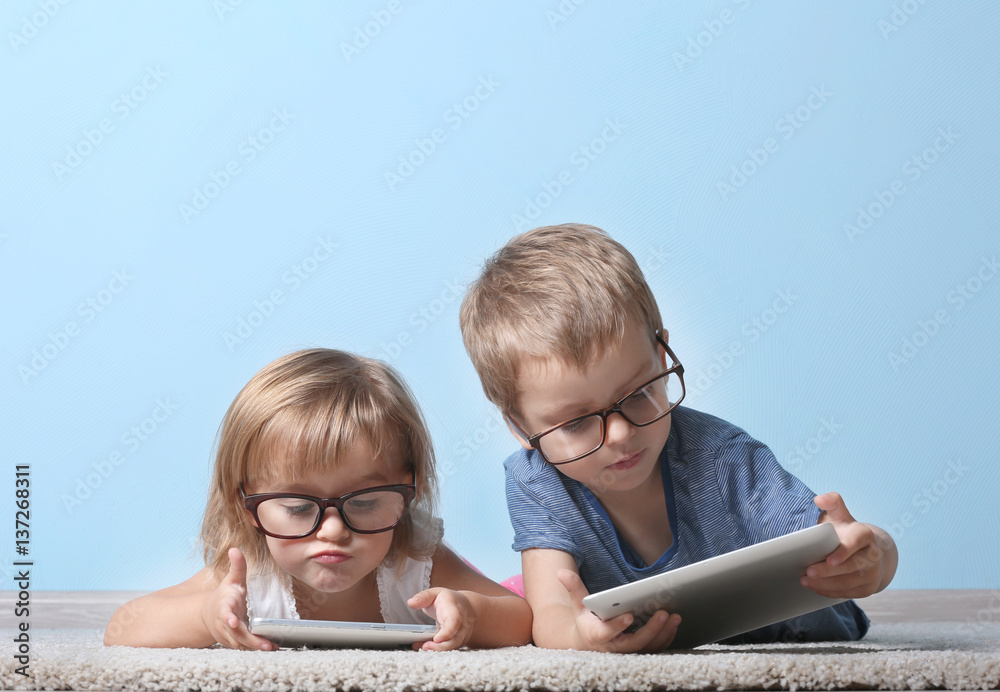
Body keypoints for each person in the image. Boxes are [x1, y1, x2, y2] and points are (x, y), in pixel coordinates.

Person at [458, 223, 898, 652]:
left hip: (796, 631)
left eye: (638, 393)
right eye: (575, 423)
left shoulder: (722, 458)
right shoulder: (536, 483)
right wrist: (580, 638)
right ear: (520, 428)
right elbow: (551, 612)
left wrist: (873, 556)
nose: (621, 433)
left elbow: (835, 538)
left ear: (662, 352)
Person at [104, 349, 531, 651]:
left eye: (364, 502)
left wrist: (471, 613)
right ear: (246, 505)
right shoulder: (251, 577)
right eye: (297, 507)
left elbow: (522, 619)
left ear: (408, 491)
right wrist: (205, 616)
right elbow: (123, 626)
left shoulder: (415, 563)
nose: (333, 530)